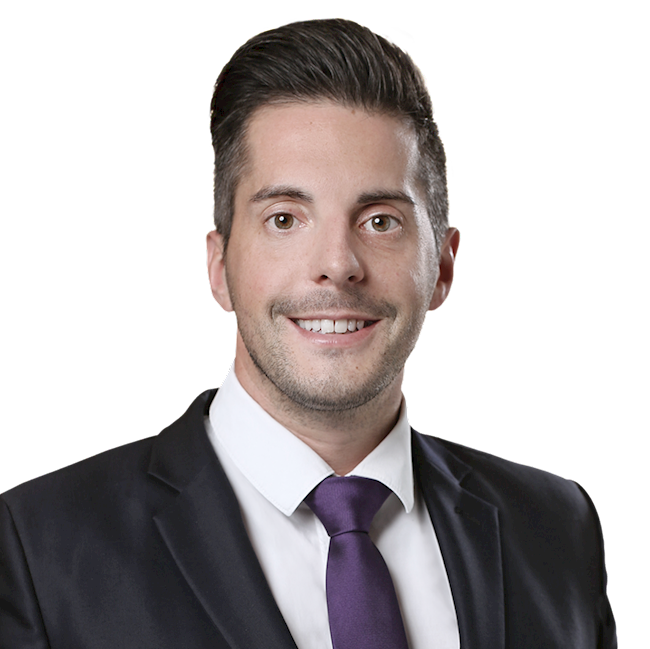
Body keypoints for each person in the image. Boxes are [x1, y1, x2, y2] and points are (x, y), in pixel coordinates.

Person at [0, 18, 615, 649]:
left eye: (380, 220)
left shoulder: (556, 527)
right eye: (285, 218)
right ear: (219, 268)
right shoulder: (39, 546)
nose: (337, 264)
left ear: (443, 267)